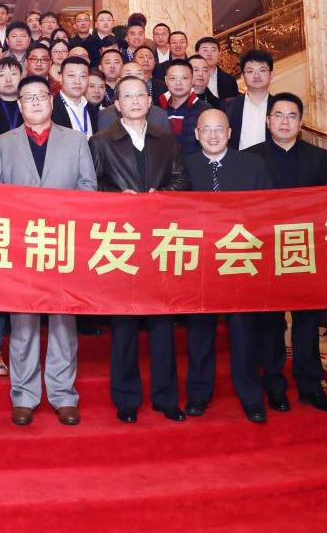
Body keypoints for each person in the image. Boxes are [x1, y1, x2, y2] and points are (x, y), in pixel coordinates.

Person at [0, 75, 96, 426]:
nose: (35, 102)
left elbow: (88, 188)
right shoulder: (2, 144)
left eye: (40, 96)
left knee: (63, 322)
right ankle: (24, 395)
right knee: (23, 324)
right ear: (19, 105)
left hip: (63, 243)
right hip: (21, 246)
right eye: (28, 97)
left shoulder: (76, 140)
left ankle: (63, 394)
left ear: (51, 102)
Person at [88, 75, 192, 424]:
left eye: (140, 96)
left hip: (160, 241)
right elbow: (91, 189)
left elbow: (183, 182)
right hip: (121, 243)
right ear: (116, 104)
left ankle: (166, 398)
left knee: (162, 324)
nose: (134, 101)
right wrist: (119, 199)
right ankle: (126, 398)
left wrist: (159, 197)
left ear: (150, 102)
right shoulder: (101, 142)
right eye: (127, 97)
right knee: (124, 325)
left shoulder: (167, 139)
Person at [246, 93, 327, 415]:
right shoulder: (250, 157)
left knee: (306, 322)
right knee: (270, 324)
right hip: (267, 253)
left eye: (292, 116)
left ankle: (311, 386)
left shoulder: (318, 158)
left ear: (300, 123)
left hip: (305, 251)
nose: (285, 122)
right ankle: (274, 386)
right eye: (279, 115)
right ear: (268, 120)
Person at [184, 108, 273, 423]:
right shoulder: (183, 167)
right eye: (206, 130)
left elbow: (268, 212)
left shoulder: (252, 165)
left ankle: (251, 396)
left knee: (243, 333)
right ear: (197, 134)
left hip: (240, 262)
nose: (212, 135)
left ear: (229, 133)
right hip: (200, 265)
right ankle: (198, 393)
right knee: (200, 333)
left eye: (219, 129)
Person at [155, 59, 209, 155]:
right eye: (173, 78)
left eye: (184, 78)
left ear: (192, 80)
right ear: (166, 81)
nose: (178, 83)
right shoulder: (157, 110)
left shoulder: (205, 111)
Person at [225, 49, 275, 150]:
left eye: (262, 70)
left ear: (271, 74)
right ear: (243, 77)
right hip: (238, 159)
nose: (256, 75)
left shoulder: (279, 106)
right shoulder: (230, 106)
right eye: (250, 71)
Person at [51, 56, 97, 138]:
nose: (77, 81)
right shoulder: (50, 109)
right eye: (71, 75)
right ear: (61, 78)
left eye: (83, 76)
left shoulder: (92, 109)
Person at [194, 37, 239, 103]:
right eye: (205, 50)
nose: (209, 54)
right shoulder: (189, 79)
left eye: (213, 50)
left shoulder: (229, 80)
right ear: (197, 54)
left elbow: (232, 106)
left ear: (219, 53)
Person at [0, 57, 24, 132]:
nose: (8, 79)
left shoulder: (29, 104)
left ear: (21, 78)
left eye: (13, 74)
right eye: (2, 75)